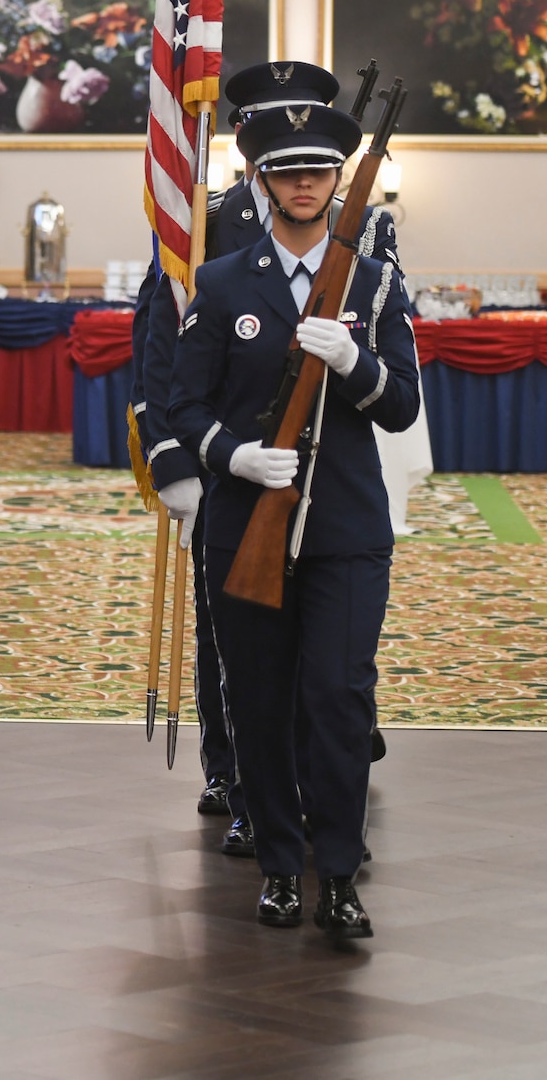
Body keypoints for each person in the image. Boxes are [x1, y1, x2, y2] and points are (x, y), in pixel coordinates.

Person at [167, 102, 420, 939]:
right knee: (262, 701)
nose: (304, 181)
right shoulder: (223, 281)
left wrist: (353, 360)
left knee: (339, 698)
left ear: (338, 179)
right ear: (261, 179)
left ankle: (339, 874)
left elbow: (401, 406)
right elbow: (185, 406)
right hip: (246, 527)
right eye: (287, 169)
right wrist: (233, 456)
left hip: (346, 528)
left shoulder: (375, 283)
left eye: (319, 169)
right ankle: (279, 866)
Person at [140, 61, 354, 857]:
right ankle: (238, 779)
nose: (298, 164)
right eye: (277, 137)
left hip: (329, 474)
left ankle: (319, 782)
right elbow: (160, 355)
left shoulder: (366, 229)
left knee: (329, 647)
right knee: (237, 644)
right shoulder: (202, 220)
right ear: (248, 143)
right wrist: (178, 464)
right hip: (230, 469)